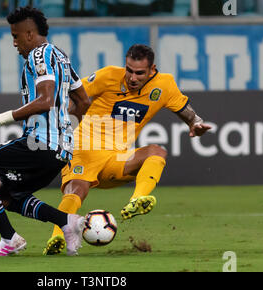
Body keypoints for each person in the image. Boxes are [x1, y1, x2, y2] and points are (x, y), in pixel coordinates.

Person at [42, 44, 212, 255]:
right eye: (129, 70)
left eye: (139, 73)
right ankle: (57, 237)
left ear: (152, 69)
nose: (132, 77)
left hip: (117, 159)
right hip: (84, 149)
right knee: (77, 188)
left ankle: (137, 200)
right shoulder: (108, 76)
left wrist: (195, 123)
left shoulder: (164, 85)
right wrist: (61, 113)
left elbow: (187, 113)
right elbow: (73, 94)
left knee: (156, 151)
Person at [0, 6, 91, 257]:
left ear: (29, 34)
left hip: (41, 143)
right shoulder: (61, 56)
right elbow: (84, 102)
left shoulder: (38, 56)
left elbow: (45, 100)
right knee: (5, 196)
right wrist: (63, 124)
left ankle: (9, 239)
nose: (14, 42)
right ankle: (68, 223)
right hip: (60, 150)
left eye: (15, 36)